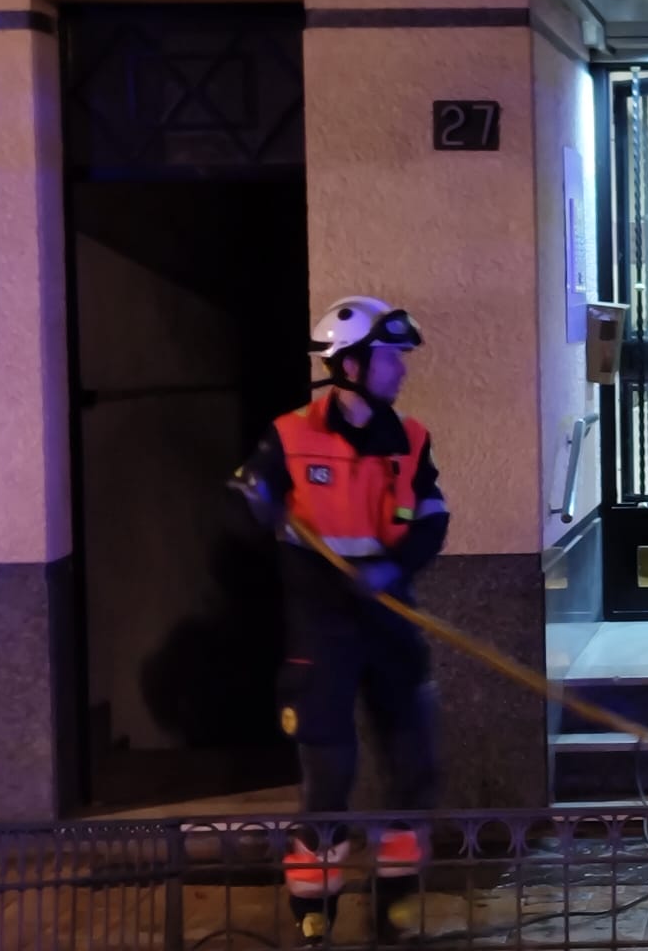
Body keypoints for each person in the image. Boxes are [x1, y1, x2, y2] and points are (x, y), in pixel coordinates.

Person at [228, 295, 449, 946]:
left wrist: (394, 566)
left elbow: (433, 516)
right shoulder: (292, 434)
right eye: (390, 359)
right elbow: (255, 489)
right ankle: (312, 911)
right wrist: (257, 495)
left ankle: (396, 909)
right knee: (328, 777)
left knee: (411, 768)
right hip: (321, 630)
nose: (401, 371)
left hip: (388, 621)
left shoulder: (409, 439)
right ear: (350, 365)